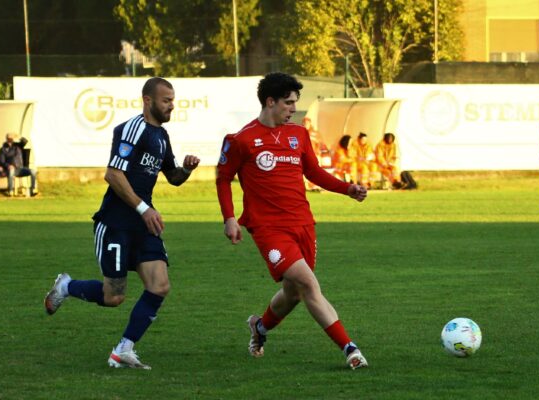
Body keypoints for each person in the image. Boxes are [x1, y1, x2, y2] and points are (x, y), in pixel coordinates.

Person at [44, 77, 201, 370]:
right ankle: (66, 286)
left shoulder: (161, 137)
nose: (171, 105)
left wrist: (187, 169)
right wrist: (144, 209)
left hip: (144, 224)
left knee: (160, 285)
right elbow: (113, 174)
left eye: (173, 100)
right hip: (116, 222)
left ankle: (123, 350)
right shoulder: (133, 128)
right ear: (148, 100)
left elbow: (174, 178)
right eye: (166, 100)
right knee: (113, 296)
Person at [216, 72, 369, 370]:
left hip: (302, 223)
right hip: (268, 228)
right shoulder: (241, 139)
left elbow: (313, 173)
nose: (292, 109)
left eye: (295, 103)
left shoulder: (297, 134)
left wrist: (347, 189)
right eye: (288, 103)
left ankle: (260, 327)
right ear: (270, 102)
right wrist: (230, 218)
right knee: (309, 285)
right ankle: (350, 349)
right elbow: (223, 179)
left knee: (294, 292)